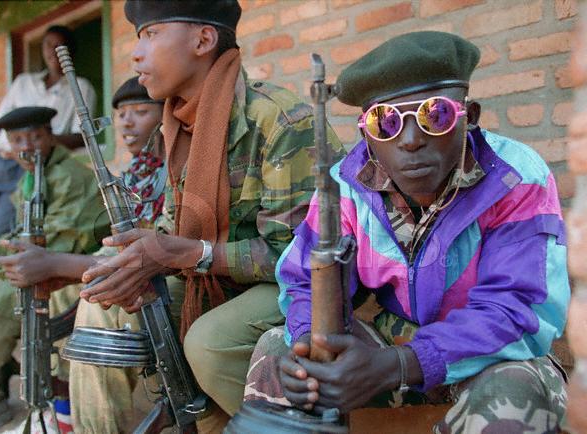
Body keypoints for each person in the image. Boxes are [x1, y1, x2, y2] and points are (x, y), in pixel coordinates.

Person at [244, 31, 570, 434]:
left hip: (491, 355)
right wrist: (310, 344)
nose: (411, 140)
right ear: (366, 133)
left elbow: (516, 308)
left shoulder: (515, 178)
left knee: (511, 396)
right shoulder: (344, 186)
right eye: (386, 123)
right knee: (279, 352)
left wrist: (402, 364)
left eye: (436, 115)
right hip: (390, 344)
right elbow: (304, 281)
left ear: (469, 116)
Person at [74, 1, 343, 432]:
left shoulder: (277, 120)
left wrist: (189, 253)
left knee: (211, 341)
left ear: (203, 40)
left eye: (151, 34)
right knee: (104, 304)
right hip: (219, 277)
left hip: (300, 282)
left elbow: (300, 255)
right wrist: (140, 258)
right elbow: (173, 227)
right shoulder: (180, 124)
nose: (136, 54)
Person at [0, 77, 167, 433]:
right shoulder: (135, 174)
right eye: (121, 114)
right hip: (124, 267)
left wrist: (59, 264)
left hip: (155, 279)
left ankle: (80, 418)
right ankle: (64, 412)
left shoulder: (170, 171)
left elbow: (156, 248)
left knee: (90, 296)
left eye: (141, 111)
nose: (127, 123)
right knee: (59, 290)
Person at [0, 106, 108, 434]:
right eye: (18, 140)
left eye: (35, 137)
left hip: (77, 267)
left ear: (51, 137)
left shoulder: (68, 176)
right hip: (50, 260)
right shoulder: (34, 176)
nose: (27, 147)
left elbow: (50, 245)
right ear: (7, 146)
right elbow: (22, 236)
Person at [0, 25, 96, 239]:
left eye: (59, 45)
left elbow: (81, 136)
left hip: (25, 166)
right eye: (48, 44)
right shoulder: (23, 82)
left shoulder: (80, 87)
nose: (53, 50)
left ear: (70, 50)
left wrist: (38, 140)